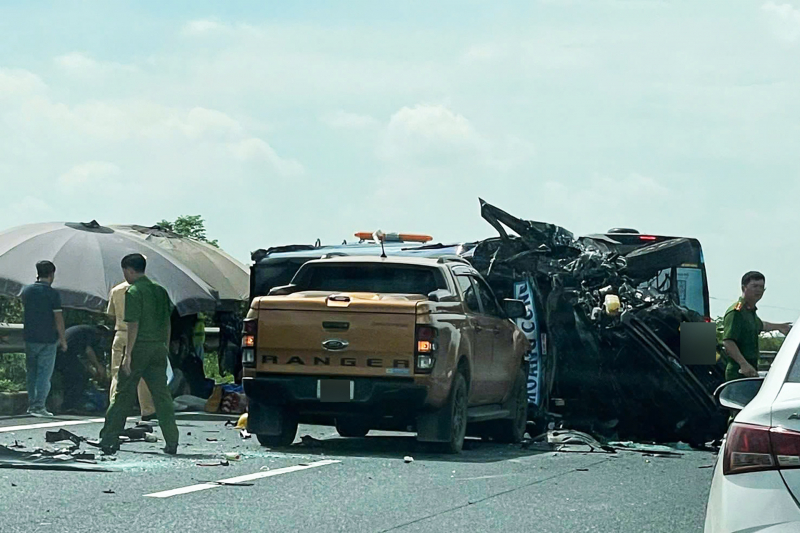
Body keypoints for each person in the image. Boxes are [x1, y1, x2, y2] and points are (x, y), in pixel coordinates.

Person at [96, 254, 179, 455]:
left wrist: (129, 355)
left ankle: (109, 438)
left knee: (123, 393)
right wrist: (165, 346)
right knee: (161, 395)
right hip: (158, 348)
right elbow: (167, 322)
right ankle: (172, 440)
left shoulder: (133, 291)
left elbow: (133, 324)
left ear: (128, 270)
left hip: (139, 346)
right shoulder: (160, 291)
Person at [723, 271, 792, 381]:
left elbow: (761, 325)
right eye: (754, 286)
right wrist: (743, 364)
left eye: (761, 287)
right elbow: (728, 342)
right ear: (743, 288)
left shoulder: (750, 312)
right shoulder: (736, 312)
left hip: (751, 368)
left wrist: (780, 326)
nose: (759, 290)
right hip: (739, 371)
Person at [21, 260, 67, 417]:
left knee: (31, 373)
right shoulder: (53, 294)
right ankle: (39, 406)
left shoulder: (26, 291)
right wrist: (63, 339)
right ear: (52, 274)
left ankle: (31, 404)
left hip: (30, 337)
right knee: (43, 374)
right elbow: (58, 318)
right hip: (47, 338)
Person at [107, 280, 156, 420]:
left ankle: (114, 406)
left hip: (121, 333)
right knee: (142, 372)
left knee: (117, 373)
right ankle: (147, 409)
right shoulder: (147, 291)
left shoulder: (116, 290)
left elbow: (110, 314)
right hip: (140, 335)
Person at [56, 324, 109, 412]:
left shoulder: (82, 331)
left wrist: (91, 370)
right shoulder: (91, 332)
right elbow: (88, 351)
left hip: (61, 353)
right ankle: (70, 405)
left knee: (73, 376)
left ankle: (67, 405)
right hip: (64, 354)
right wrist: (99, 367)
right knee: (80, 377)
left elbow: (82, 357)